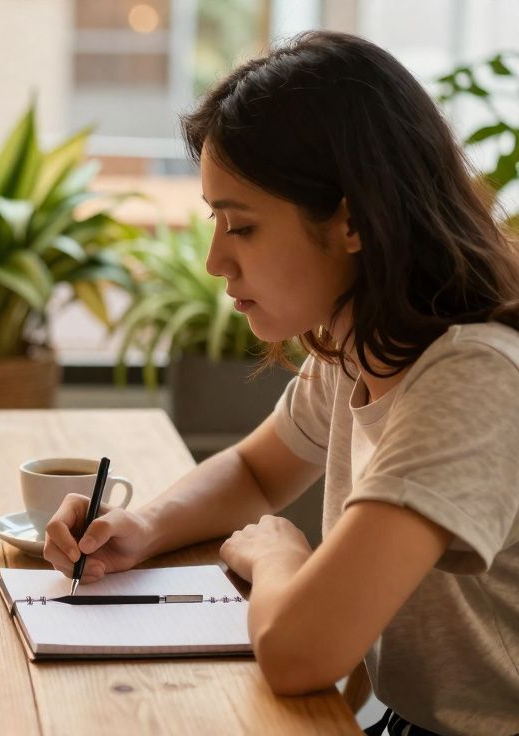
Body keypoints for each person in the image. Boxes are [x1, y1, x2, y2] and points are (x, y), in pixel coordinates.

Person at [44, 31, 518, 736]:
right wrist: (141, 527)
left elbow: (299, 652)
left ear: (351, 219)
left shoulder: (472, 380)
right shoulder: (362, 345)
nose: (214, 262)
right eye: (215, 221)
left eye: (240, 226)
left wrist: (280, 555)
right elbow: (255, 472)